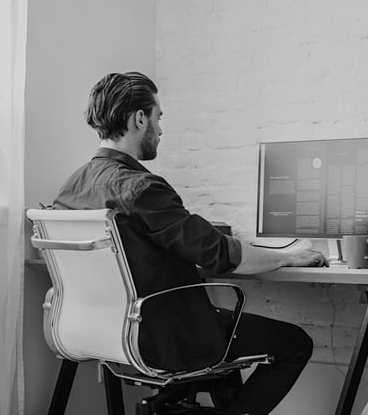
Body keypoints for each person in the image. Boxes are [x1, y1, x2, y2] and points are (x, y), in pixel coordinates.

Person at [53, 71, 329, 415]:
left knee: (221, 346)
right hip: (163, 335)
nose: (161, 129)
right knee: (294, 343)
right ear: (140, 119)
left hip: (103, 332)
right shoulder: (141, 188)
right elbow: (221, 256)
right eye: (159, 117)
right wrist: (290, 257)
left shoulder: (71, 187)